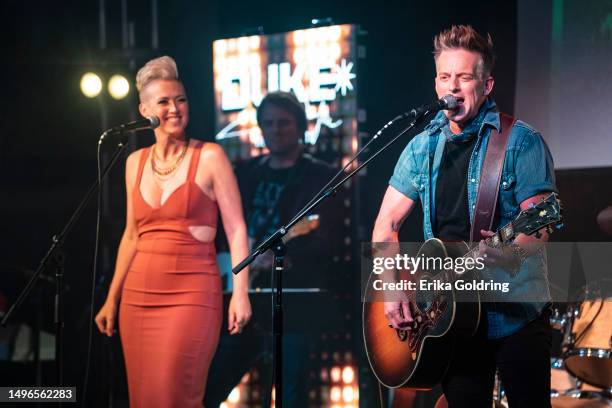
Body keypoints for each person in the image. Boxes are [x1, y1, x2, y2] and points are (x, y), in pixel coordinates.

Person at [372, 26, 557, 407]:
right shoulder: (420, 146)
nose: (452, 88)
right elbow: (386, 226)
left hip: (515, 313)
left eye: (464, 77)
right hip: (451, 318)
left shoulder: (522, 141)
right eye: (444, 77)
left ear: (486, 84)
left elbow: (539, 227)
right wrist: (391, 288)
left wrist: (508, 252)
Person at [94, 56, 251, 408]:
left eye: (180, 100)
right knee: (144, 399)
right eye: (164, 102)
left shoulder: (210, 156)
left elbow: (237, 228)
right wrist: (112, 298)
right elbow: (131, 235)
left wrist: (241, 292)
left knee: (175, 396)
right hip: (138, 296)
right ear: (145, 109)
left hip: (191, 293)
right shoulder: (134, 162)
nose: (174, 109)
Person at [205, 91, 341, 407]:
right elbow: (223, 229)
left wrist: (284, 259)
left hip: (291, 301)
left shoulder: (319, 175)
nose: (275, 130)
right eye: (268, 123)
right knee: (209, 386)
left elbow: (327, 239)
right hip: (240, 295)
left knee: (290, 393)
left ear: (300, 127)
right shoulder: (244, 172)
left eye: (283, 123)